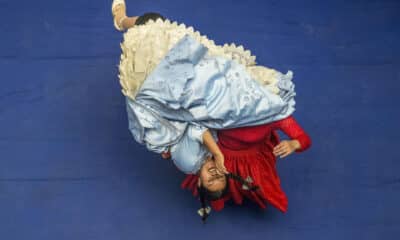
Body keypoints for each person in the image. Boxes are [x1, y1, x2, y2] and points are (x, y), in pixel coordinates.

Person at [111, 0, 311, 221]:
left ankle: (122, 22)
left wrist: (198, 150)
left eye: (210, 180)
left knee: (151, 25)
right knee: (156, 23)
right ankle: (124, 22)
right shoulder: (268, 109)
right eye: (220, 178)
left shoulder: (198, 157)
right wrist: (294, 143)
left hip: (177, 100)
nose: (216, 175)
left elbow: (195, 128)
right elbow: (302, 137)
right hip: (212, 92)